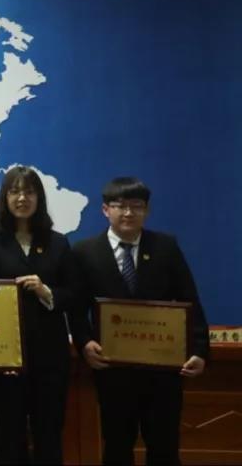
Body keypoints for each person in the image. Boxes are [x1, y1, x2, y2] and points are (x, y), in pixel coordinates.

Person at [70, 177, 209, 466]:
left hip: (163, 370)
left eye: (137, 206)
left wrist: (199, 350)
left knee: (164, 448)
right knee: (117, 446)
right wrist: (84, 342)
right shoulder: (85, 251)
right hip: (113, 370)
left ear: (147, 210)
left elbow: (190, 301)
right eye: (120, 205)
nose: (128, 213)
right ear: (105, 210)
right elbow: (76, 308)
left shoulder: (165, 247)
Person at [0, 166, 74, 465]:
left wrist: (46, 292)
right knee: (9, 436)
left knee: (49, 434)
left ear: (39, 198)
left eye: (29, 192)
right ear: (4, 198)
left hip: (50, 357)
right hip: (5, 358)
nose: (21, 198)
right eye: (14, 192)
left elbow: (74, 294)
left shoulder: (58, 242)